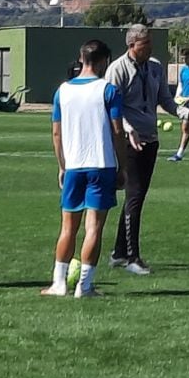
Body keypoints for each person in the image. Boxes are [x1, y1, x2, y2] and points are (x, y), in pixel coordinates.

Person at [105, 24, 189, 275]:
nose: (151, 48)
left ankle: (119, 253)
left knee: (137, 197)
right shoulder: (116, 70)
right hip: (129, 142)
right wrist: (129, 128)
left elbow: (166, 100)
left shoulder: (154, 67)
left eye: (151, 43)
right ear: (132, 45)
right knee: (134, 195)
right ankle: (132, 257)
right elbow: (112, 109)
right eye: (146, 44)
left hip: (151, 140)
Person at [41, 39, 128, 298]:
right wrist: (122, 166)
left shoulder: (62, 91)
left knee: (68, 227)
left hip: (74, 166)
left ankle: (58, 283)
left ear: (81, 58)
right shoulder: (108, 90)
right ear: (104, 61)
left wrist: (62, 166)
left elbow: (56, 133)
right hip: (101, 165)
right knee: (94, 228)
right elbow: (117, 131)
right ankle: (85, 286)